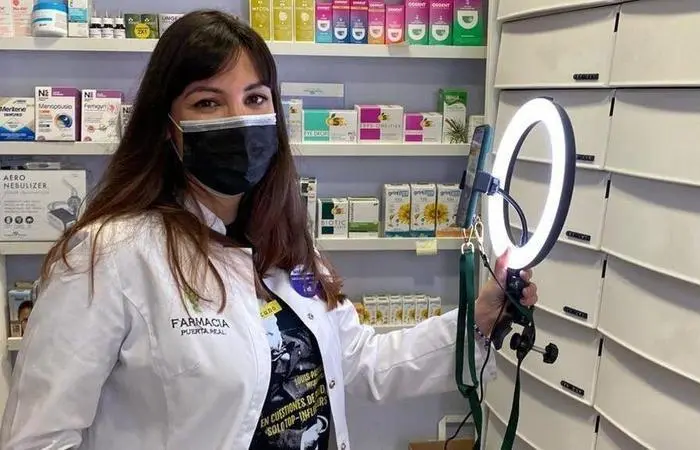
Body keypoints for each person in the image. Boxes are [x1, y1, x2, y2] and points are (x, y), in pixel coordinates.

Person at [0, 9, 538, 450]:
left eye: (255, 99)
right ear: (169, 129)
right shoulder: (108, 256)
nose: (239, 118)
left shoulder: (288, 248)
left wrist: (478, 318)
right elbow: (38, 438)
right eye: (208, 102)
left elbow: (360, 362)